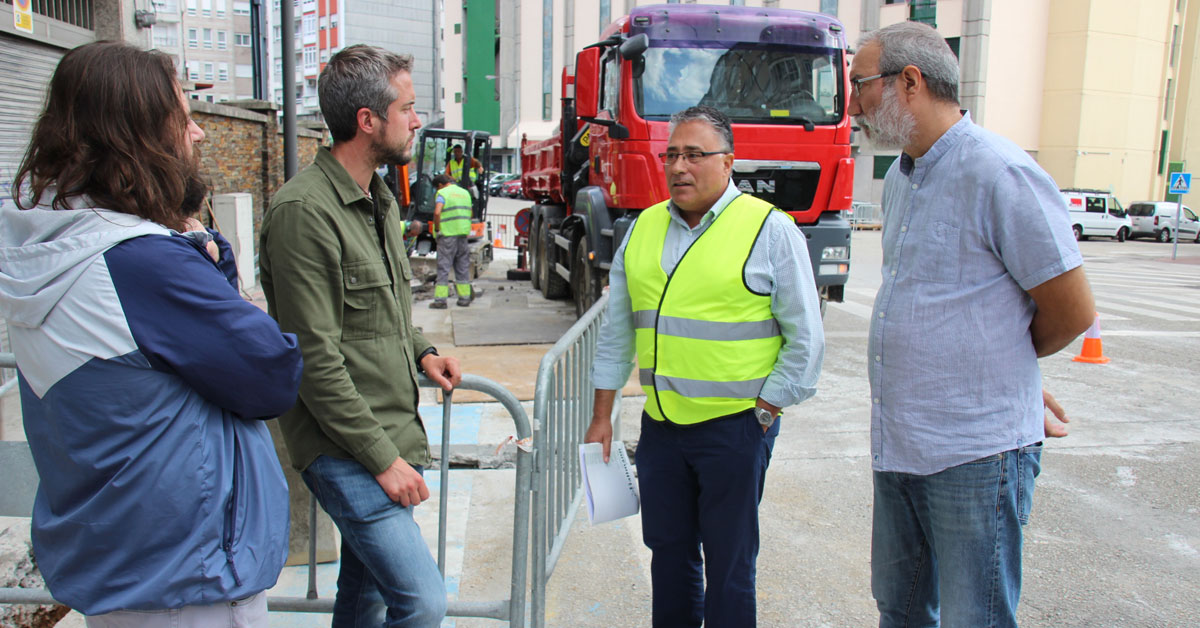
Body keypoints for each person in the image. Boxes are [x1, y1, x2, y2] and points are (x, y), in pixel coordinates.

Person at [0, 41, 302, 626]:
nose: (198, 133)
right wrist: (212, 263)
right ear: (137, 133)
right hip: (193, 579)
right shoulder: (142, 264)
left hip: (126, 562)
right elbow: (272, 374)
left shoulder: (53, 245)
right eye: (182, 116)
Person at [848, 22, 1096, 628]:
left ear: (909, 82)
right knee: (900, 608)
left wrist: (1003, 368)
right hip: (901, 445)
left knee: (974, 618)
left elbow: (1073, 311)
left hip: (975, 454)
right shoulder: (905, 178)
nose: (851, 105)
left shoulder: (999, 172)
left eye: (859, 86)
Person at [584, 105, 825, 628]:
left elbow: (806, 341)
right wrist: (602, 416)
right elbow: (616, 334)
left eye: (695, 155)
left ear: (729, 162)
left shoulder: (769, 229)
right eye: (671, 154)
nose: (678, 167)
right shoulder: (643, 228)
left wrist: (763, 412)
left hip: (736, 428)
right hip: (663, 429)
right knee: (669, 558)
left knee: (730, 566)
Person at [259, 44, 462, 628]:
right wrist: (382, 460)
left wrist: (421, 349)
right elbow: (314, 357)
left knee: (366, 595)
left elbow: (385, 308)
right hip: (345, 445)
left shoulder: (377, 198)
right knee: (422, 603)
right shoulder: (304, 212)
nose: (417, 120)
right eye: (408, 108)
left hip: (385, 428)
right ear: (367, 121)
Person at [429, 173, 477, 308]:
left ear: (439, 185)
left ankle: (440, 301)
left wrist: (437, 228)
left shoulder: (442, 193)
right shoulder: (464, 193)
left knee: (444, 267)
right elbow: (471, 213)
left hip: (447, 235)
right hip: (462, 235)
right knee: (462, 267)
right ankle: (464, 298)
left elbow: (437, 212)